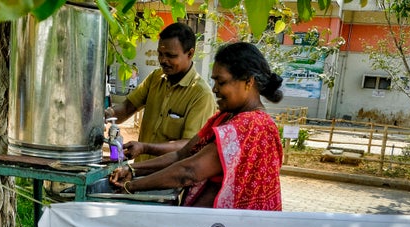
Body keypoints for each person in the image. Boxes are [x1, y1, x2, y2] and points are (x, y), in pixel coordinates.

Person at [109, 42, 284, 211]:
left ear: (248, 82)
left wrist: (131, 186)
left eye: (221, 82)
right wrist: (132, 169)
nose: (214, 89)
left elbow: (189, 171)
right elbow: (182, 155)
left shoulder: (251, 125)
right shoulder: (224, 117)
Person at [104, 22, 217, 162]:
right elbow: (127, 107)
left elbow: (189, 146)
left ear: (190, 53)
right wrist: (106, 115)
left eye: (170, 55)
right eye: (160, 54)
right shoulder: (155, 78)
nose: (163, 60)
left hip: (168, 180)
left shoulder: (201, 95)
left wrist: (145, 148)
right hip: (139, 172)